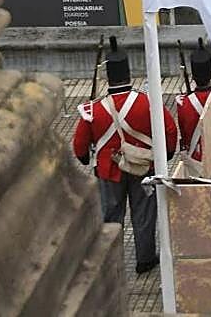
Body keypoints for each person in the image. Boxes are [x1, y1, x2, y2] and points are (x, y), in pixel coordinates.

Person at [71, 37, 177, 275]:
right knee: (144, 215)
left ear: (108, 76)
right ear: (129, 74)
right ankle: (145, 259)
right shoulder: (146, 101)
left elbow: (79, 144)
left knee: (111, 216)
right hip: (142, 167)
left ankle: (112, 261)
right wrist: (167, 153)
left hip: (109, 171)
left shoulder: (93, 109)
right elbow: (169, 129)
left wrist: (85, 158)